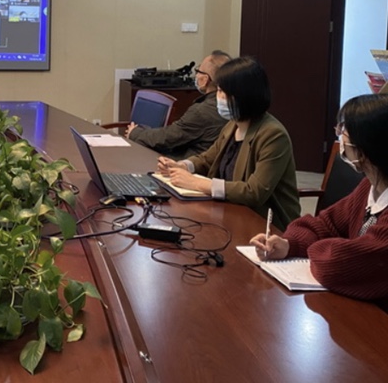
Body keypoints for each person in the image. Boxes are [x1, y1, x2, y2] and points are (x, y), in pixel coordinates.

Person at [250, 94, 388, 309]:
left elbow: (337, 264)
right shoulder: (369, 186)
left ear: (366, 146)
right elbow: (322, 225)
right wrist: (289, 245)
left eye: (344, 130)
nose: (340, 136)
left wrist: (317, 248)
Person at [157, 57, 301, 230]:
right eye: (219, 90)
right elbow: (207, 159)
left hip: (266, 225)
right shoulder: (232, 125)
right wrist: (182, 166)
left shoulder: (273, 135)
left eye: (224, 92)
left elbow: (254, 192)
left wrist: (197, 183)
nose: (219, 98)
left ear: (246, 96)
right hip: (230, 211)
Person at [126, 50, 232, 159]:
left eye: (198, 71)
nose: (196, 75)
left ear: (205, 79)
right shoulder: (233, 105)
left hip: (188, 164)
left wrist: (135, 133)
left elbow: (168, 137)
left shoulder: (202, 111)